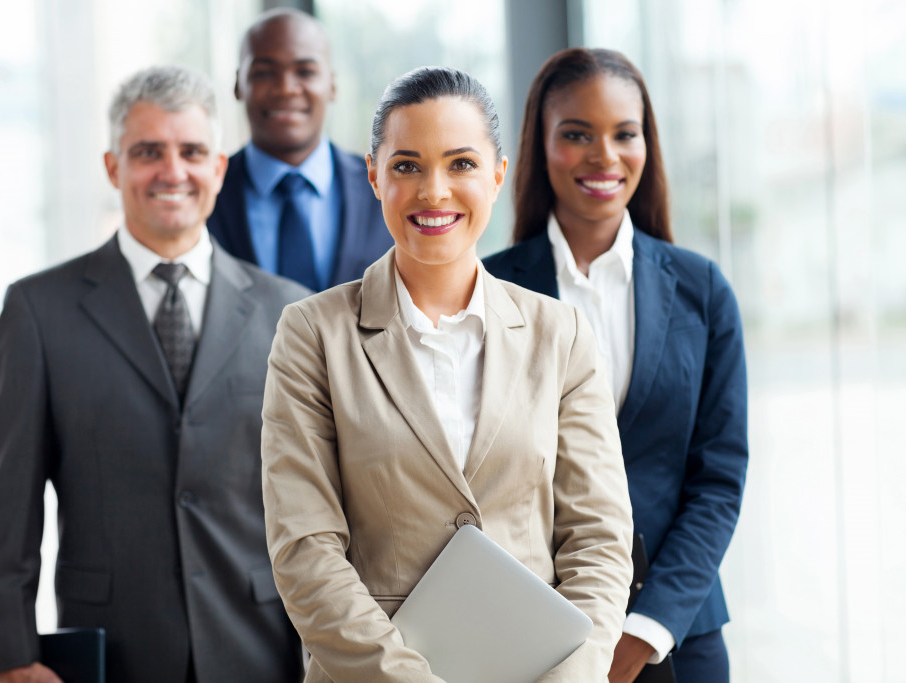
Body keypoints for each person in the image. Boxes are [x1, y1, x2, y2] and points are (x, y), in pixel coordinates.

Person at [260, 66, 634, 682]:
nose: (434, 191)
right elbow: (305, 551)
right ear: (374, 176)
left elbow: (599, 540)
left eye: (460, 164)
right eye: (406, 165)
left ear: (498, 175)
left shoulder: (560, 334)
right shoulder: (312, 336)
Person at [0, 65, 308, 683]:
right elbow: (8, 505)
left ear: (219, 169)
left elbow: (319, 504)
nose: (172, 172)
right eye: (148, 152)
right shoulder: (37, 311)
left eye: (192, 152)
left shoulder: (290, 310)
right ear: (113, 168)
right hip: (113, 647)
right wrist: (13, 654)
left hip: (262, 645)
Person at [483, 48, 749, 683]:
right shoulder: (487, 290)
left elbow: (719, 476)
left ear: (646, 145)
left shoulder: (701, 290)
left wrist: (646, 627)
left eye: (624, 134)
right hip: (539, 635)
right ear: (540, 147)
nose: (604, 155)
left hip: (677, 634)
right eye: (576, 134)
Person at [207, 8, 392, 291]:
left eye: (305, 71)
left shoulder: (386, 188)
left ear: (332, 84)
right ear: (237, 85)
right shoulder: (205, 194)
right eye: (265, 72)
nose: (286, 89)